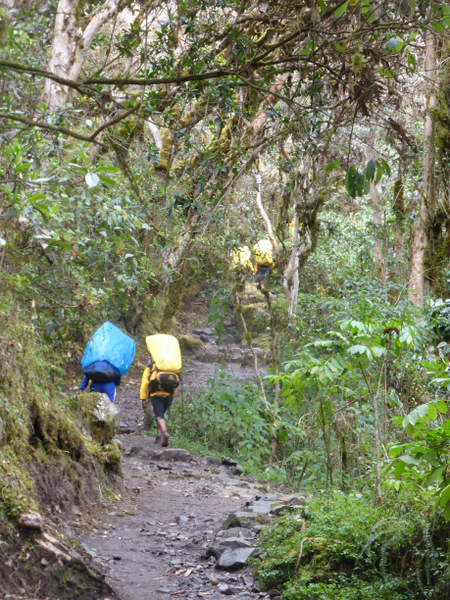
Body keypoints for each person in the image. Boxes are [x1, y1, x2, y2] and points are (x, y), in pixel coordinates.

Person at [140, 360, 179, 447]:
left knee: (159, 416)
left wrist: (143, 398)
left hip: (156, 394)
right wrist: (172, 396)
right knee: (160, 414)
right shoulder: (170, 369)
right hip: (169, 395)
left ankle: (164, 433)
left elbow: (145, 383)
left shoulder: (150, 368)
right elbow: (176, 383)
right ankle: (158, 437)